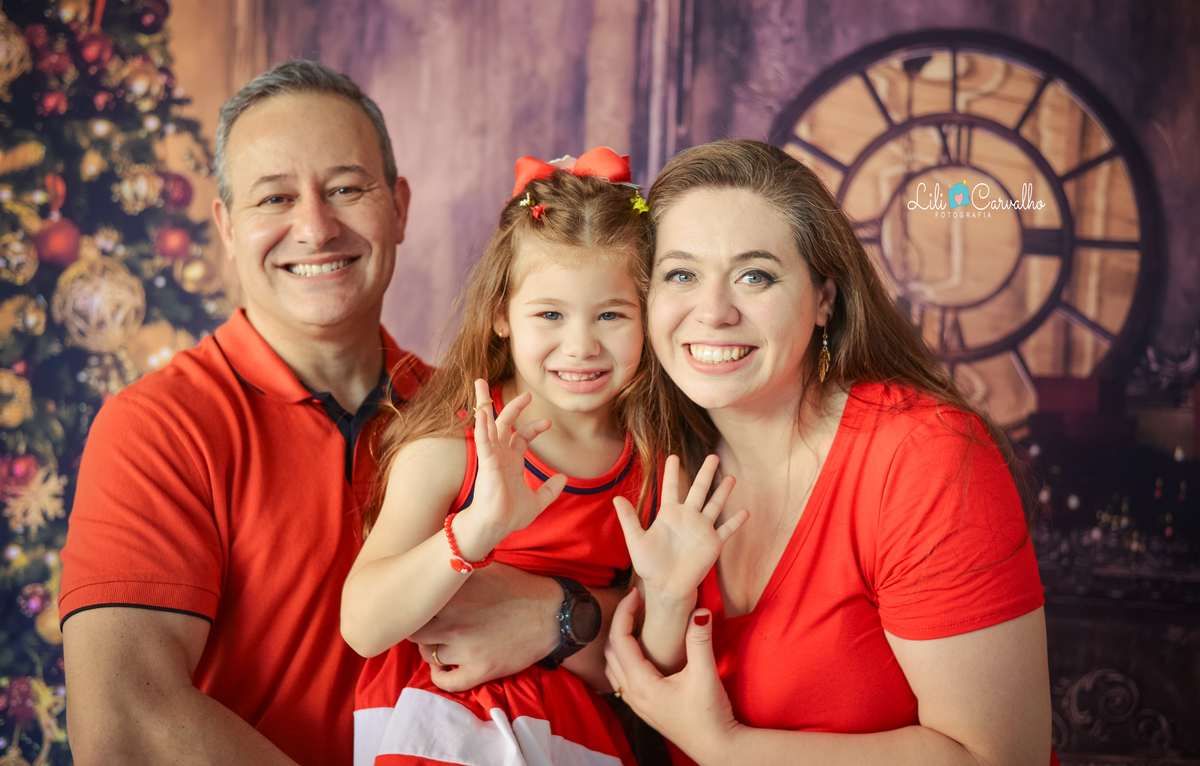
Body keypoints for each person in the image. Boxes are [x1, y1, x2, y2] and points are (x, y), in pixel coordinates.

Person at [57, 61, 595, 766]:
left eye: (347, 188)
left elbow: (656, 621)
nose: (314, 226)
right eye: (273, 199)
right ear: (225, 225)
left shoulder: (484, 418)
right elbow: (123, 721)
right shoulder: (159, 426)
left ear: (398, 207)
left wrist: (560, 614)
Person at [604, 140, 1053, 766]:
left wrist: (725, 748)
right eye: (680, 274)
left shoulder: (924, 459)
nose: (712, 311)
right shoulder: (654, 454)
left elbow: (1000, 758)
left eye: (754, 275)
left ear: (825, 299)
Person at [346, 148, 681, 766]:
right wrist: (474, 530)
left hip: (577, 736)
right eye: (549, 314)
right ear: (501, 314)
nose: (580, 346)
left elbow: (641, 657)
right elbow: (364, 625)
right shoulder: (451, 451)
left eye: (611, 314)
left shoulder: (654, 464)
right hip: (442, 725)